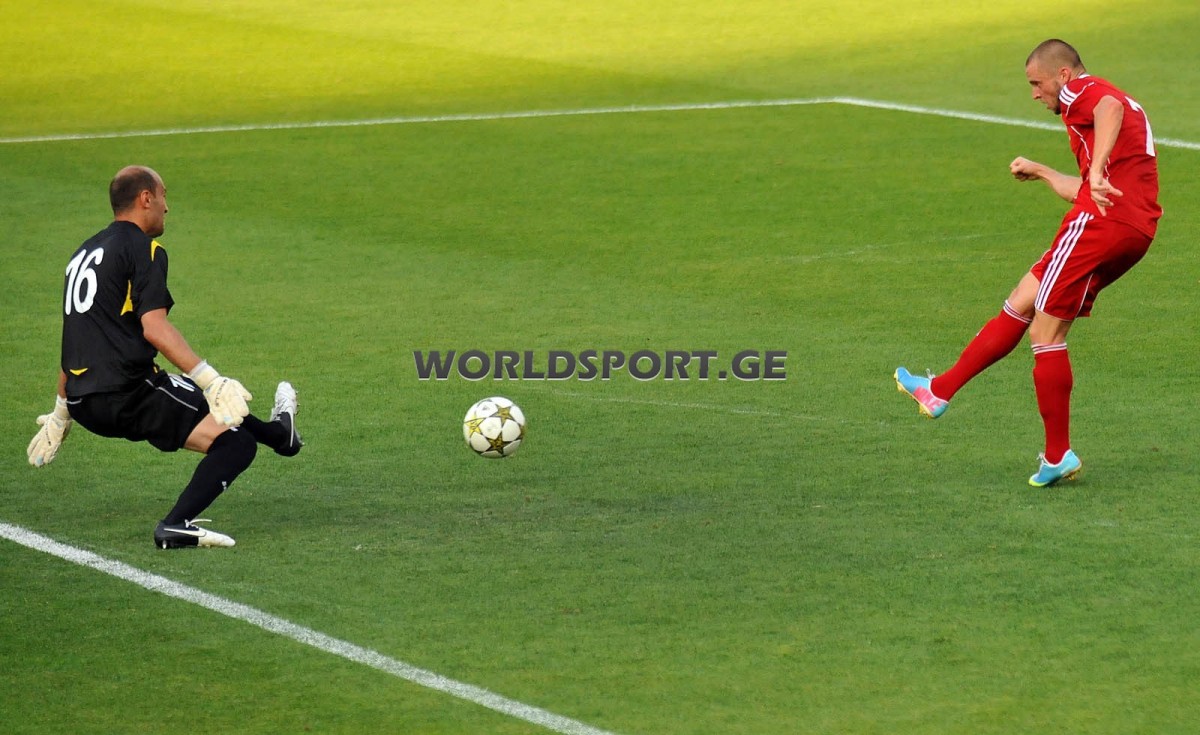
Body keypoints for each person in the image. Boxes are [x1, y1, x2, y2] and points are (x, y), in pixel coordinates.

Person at [894, 39, 1161, 487]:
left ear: (1063, 75)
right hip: (1131, 226)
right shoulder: (1112, 111)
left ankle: (1058, 455)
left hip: (1100, 224)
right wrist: (1042, 171)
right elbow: (1088, 187)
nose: (1035, 94)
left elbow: (1108, 110)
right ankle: (939, 390)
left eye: (1037, 83)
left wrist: (1096, 171)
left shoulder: (1085, 90)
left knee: (1046, 333)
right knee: (1025, 295)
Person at [27, 165, 303, 548]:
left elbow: (76, 334)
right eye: (163, 196)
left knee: (196, 397)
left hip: (85, 403)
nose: (166, 207)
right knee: (235, 443)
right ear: (146, 198)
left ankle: (281, 435)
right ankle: (175, 525)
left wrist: (62, 411)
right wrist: (212, 378)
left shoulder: (82, 254)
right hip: (130, 393)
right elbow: (154, 328)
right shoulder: (144, 248)